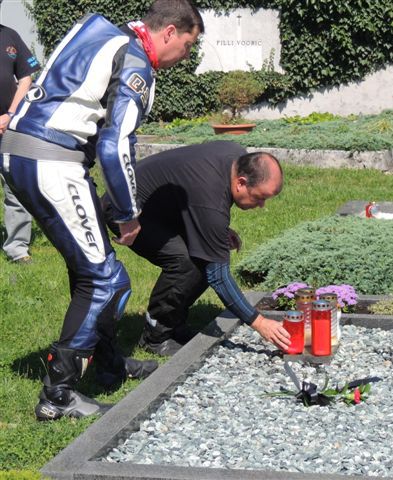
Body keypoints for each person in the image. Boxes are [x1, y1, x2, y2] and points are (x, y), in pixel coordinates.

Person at [0, 0, 204, 421]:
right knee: (107, 280)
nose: (184, 57)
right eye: (187, 45)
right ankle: (57, 398)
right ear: (168, 33)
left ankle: (108, 366)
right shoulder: (136, 61)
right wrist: (129, 213)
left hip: (24, 152)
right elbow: (115, 145)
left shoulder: (99, 31)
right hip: (51, 160)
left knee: (93, 269)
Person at [101, 141, 291, 356]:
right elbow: (218, 277)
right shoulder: (211, 198)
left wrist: (214, 229)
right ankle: (156, 336)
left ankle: (174, 325)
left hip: (162, 208)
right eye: (260, 197)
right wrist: (259, 322)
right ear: (241, 182)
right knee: (185, 264)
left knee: (202, 255)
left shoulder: (237, 157)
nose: (261, 206)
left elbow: (197, 194)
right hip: (127, 210)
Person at [0, 16, 40, 263]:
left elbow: (26, 77)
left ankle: (17, 248)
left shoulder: (10, 35)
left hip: (8, 126)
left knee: (15, 188)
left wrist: (11, 114)